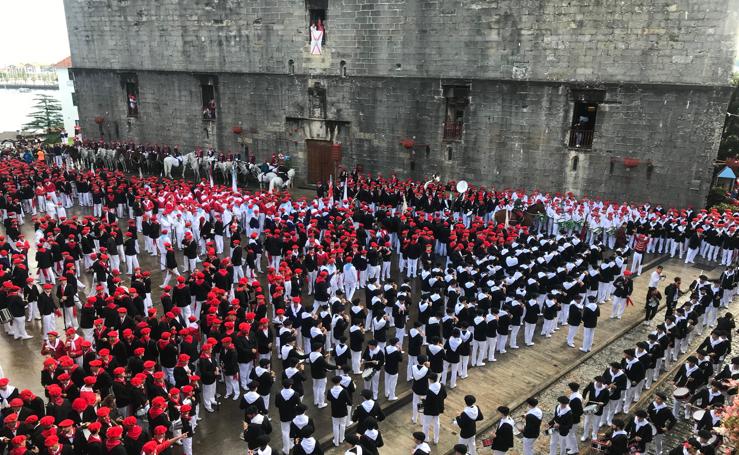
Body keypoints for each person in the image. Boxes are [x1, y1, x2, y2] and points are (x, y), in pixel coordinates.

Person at [421, 372, 446, 445]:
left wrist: (422, 399)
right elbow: (445, 395)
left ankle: (426, 438)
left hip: (429, 410)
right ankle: (436, 439)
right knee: (436, 423)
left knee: (426, 424)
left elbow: (427, 402)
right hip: (438, 408)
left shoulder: (429, 390)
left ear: (431, 380)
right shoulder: (441, 386)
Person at [327, 376, 351, 447]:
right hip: (343, 411)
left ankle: (336, 442)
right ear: (339, 382)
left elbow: (328, 398)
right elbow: (349, 402)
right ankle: (341, 439)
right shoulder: (344, 391)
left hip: (334, 411)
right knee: (342, 425)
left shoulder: (330, 391)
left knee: (335, 425)